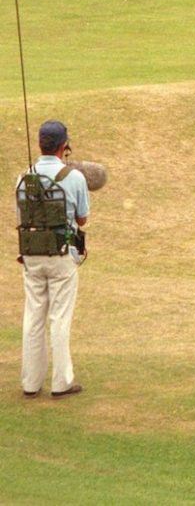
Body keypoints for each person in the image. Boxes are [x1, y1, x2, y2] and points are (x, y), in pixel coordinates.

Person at [18, 120, 89, 399]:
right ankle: (61, 383)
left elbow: (22, 217)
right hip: (61, 256)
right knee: (59, 318)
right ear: (64, 146)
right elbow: (82, 218)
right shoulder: (74, 177)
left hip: (32, 255)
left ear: (39, 144)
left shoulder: (23, 178)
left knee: (33, 317)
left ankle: (30, 383)